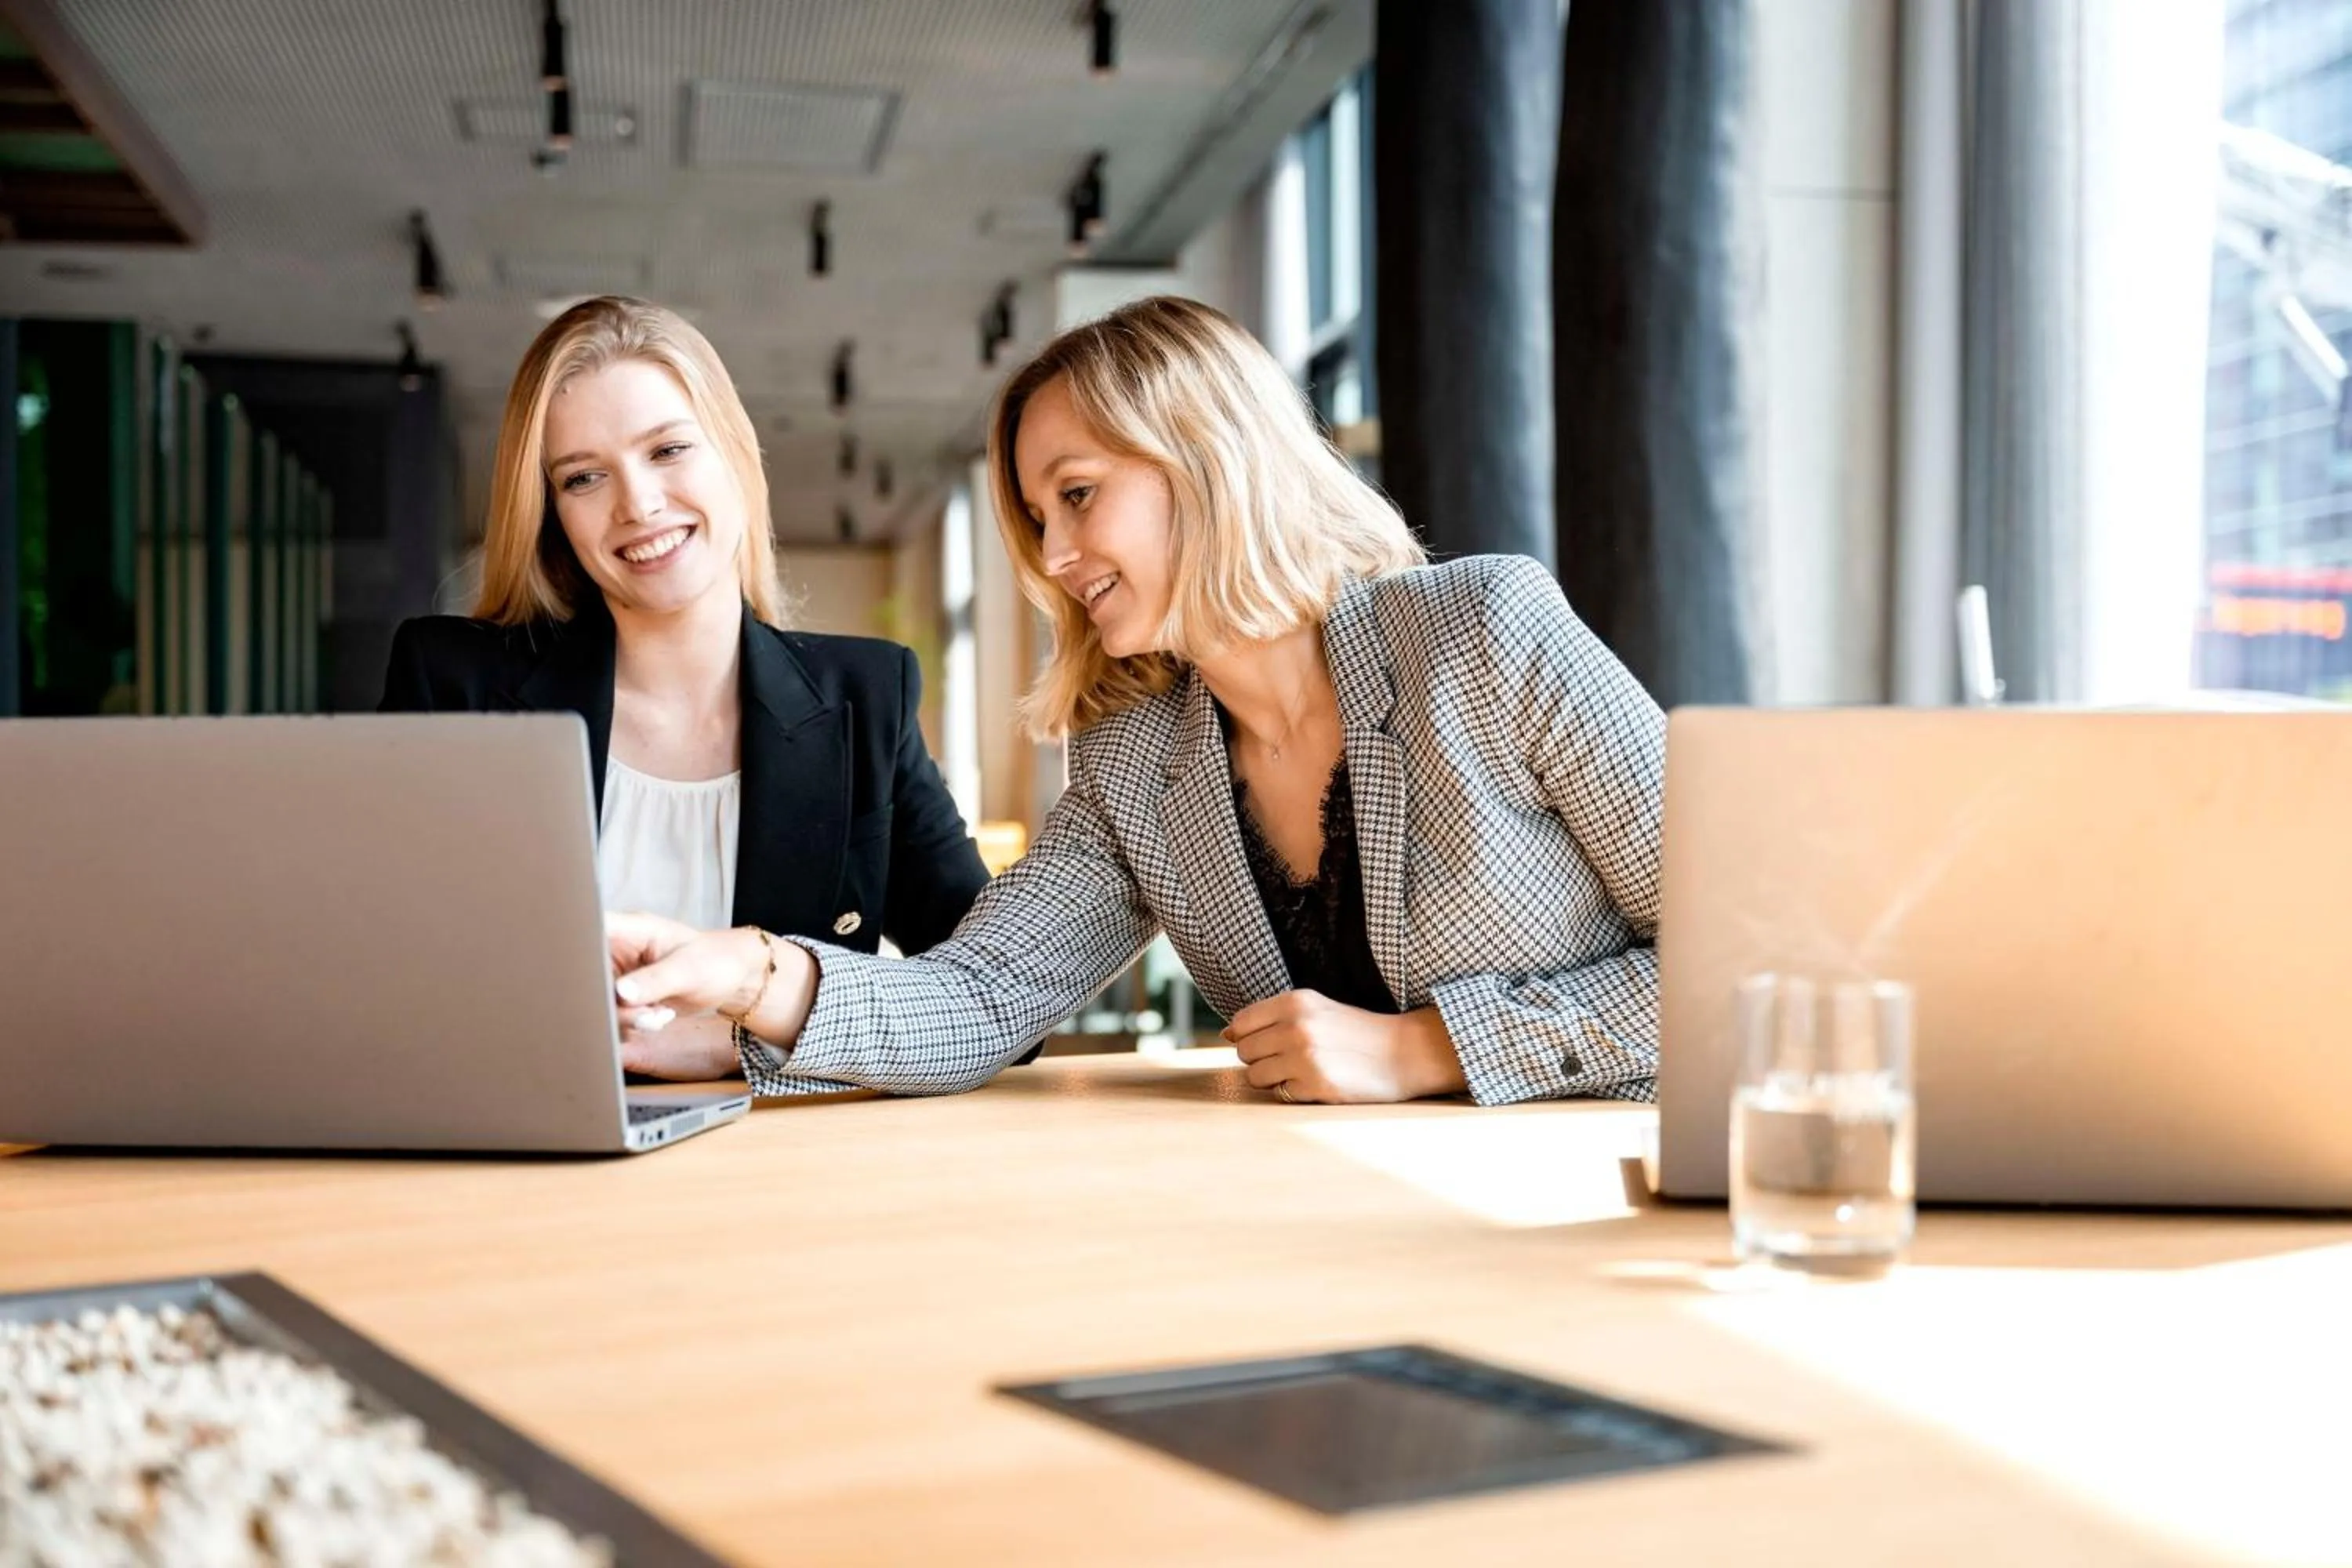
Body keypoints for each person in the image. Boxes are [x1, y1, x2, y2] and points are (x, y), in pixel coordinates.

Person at [606, 295, 1664, 1105]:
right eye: (1036, 517)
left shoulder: (1485, 633)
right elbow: (978, 996)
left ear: (1207, 462)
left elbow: (1764, 953)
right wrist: (748, 971)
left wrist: (1426, 1049)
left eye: (1078, 496)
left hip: (1607, 1217)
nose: (1056, 558)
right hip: (1354, 1240)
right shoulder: (1135, 759)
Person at [381, 296, 988, 1076]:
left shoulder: (865, 697)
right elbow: (382, 971)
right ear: (551, 515)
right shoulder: (455, 685)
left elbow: (989, 997)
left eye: (668, 450)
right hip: (520, 1167)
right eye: (585, 477)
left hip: (773, 1176)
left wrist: (736, 1035)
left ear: (735, 452)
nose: (638, 505)